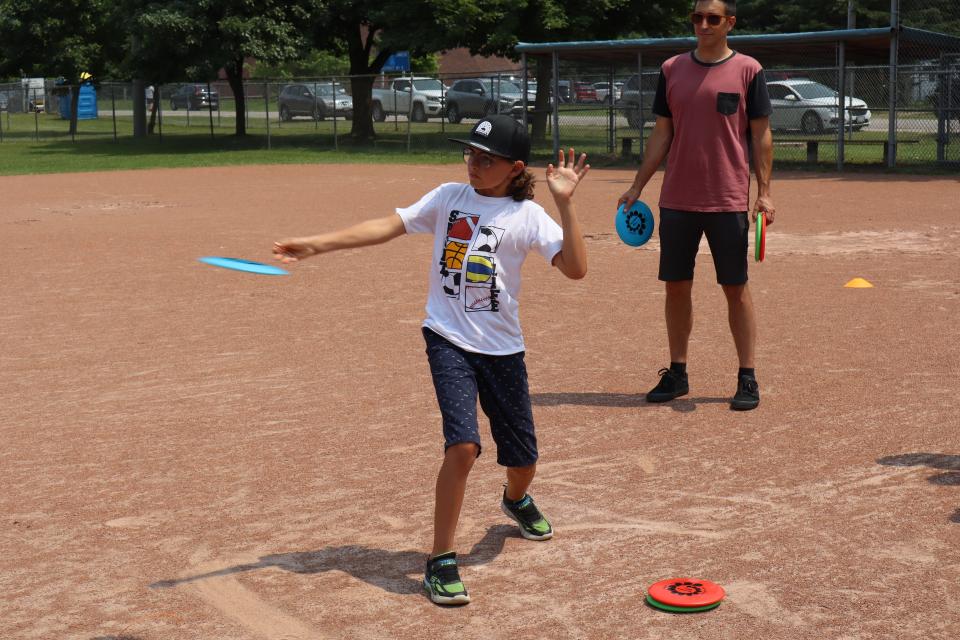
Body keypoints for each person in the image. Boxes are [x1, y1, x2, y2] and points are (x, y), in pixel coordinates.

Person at [273, 115, 590, 605]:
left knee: (523, 457)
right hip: (448, 338)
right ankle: (440, 559)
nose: (475, 164)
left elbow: (575, 270)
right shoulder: (449, 198)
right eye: (470, 153)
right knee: (462, 446)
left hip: (503, 349)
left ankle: (515, 499)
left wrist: (565, 206)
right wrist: (318, 244)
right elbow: (389, 225)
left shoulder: (527, 215)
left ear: (515, 168)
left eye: (487, 158)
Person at [619, 0, 774, 410]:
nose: (702, 25)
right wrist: (637, 185)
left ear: (730, 24)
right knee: (676, 286)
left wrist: (765, 192)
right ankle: (677, 372)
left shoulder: (749, 70)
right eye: (697, 17)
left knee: (735, 288)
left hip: (726, 199)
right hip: (677, 200)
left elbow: (761, 135)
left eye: (712, 18)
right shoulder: (671, 69)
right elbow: (662, 133)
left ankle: (747, 377)